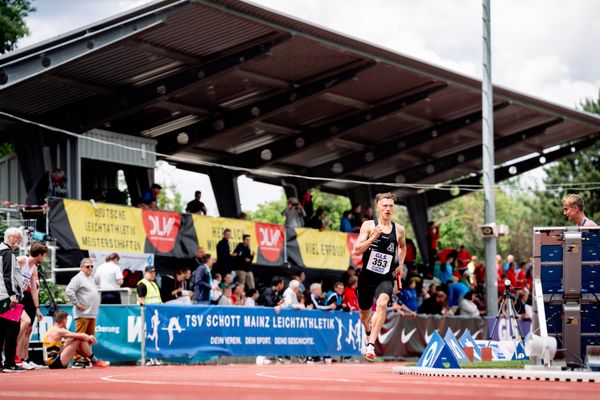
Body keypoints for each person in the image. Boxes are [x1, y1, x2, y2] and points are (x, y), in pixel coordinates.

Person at [353, 192, 406, 361]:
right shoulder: (368, 226)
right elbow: (357, 250)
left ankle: (371, 345)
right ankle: (368, 332)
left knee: (382, 304)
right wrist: (373, 237)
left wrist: (401, 264)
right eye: (385, 205)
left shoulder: (399, 229)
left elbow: (402, 247)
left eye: (391, 205)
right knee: (364, 315)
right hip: (367, 277)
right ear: (378, 207)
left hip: (385, 276)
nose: (388, 208)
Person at [65, 258, 109, 368]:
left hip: (91, 313)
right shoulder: (78, 278)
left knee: (89, 338)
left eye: (91, 266)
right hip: (83, 313)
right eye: (87, 266)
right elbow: (69, 291)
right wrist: (77, 303)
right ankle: (77, 359)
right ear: (81, 267)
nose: (90, 268)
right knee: (80, 337)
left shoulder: (90, 278)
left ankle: (86, 359)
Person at [15, 242, 47, 370]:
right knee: (25, 322)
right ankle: (13, 354)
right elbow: (4, 268)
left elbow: (34, 289)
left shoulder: (33, 269)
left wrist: (37, 308)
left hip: (17, 299)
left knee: (25, 325)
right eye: (44, 255)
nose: (44, 258)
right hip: (8, 297)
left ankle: (15, 357)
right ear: (39, 255)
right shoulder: (22, 260)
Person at [42, 310, 108, 369]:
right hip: (55, 363)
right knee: (79, 339)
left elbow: (68, 341)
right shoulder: (59, 331)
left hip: (52, 362)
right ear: (64, 320)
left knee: (72, 339)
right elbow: (79, 335)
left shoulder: (52, 329)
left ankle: (89, 360)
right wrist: (90, 336)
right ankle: (95, 361)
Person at [0, 227, 25, 372]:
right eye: (18, 239)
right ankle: (9, 363)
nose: (19, 242)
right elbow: (7, 275)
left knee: (1, 331)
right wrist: (13, 295)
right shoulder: (7, 253)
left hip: (2, 295)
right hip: (6, 297)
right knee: (12, 330)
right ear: (11, 238)